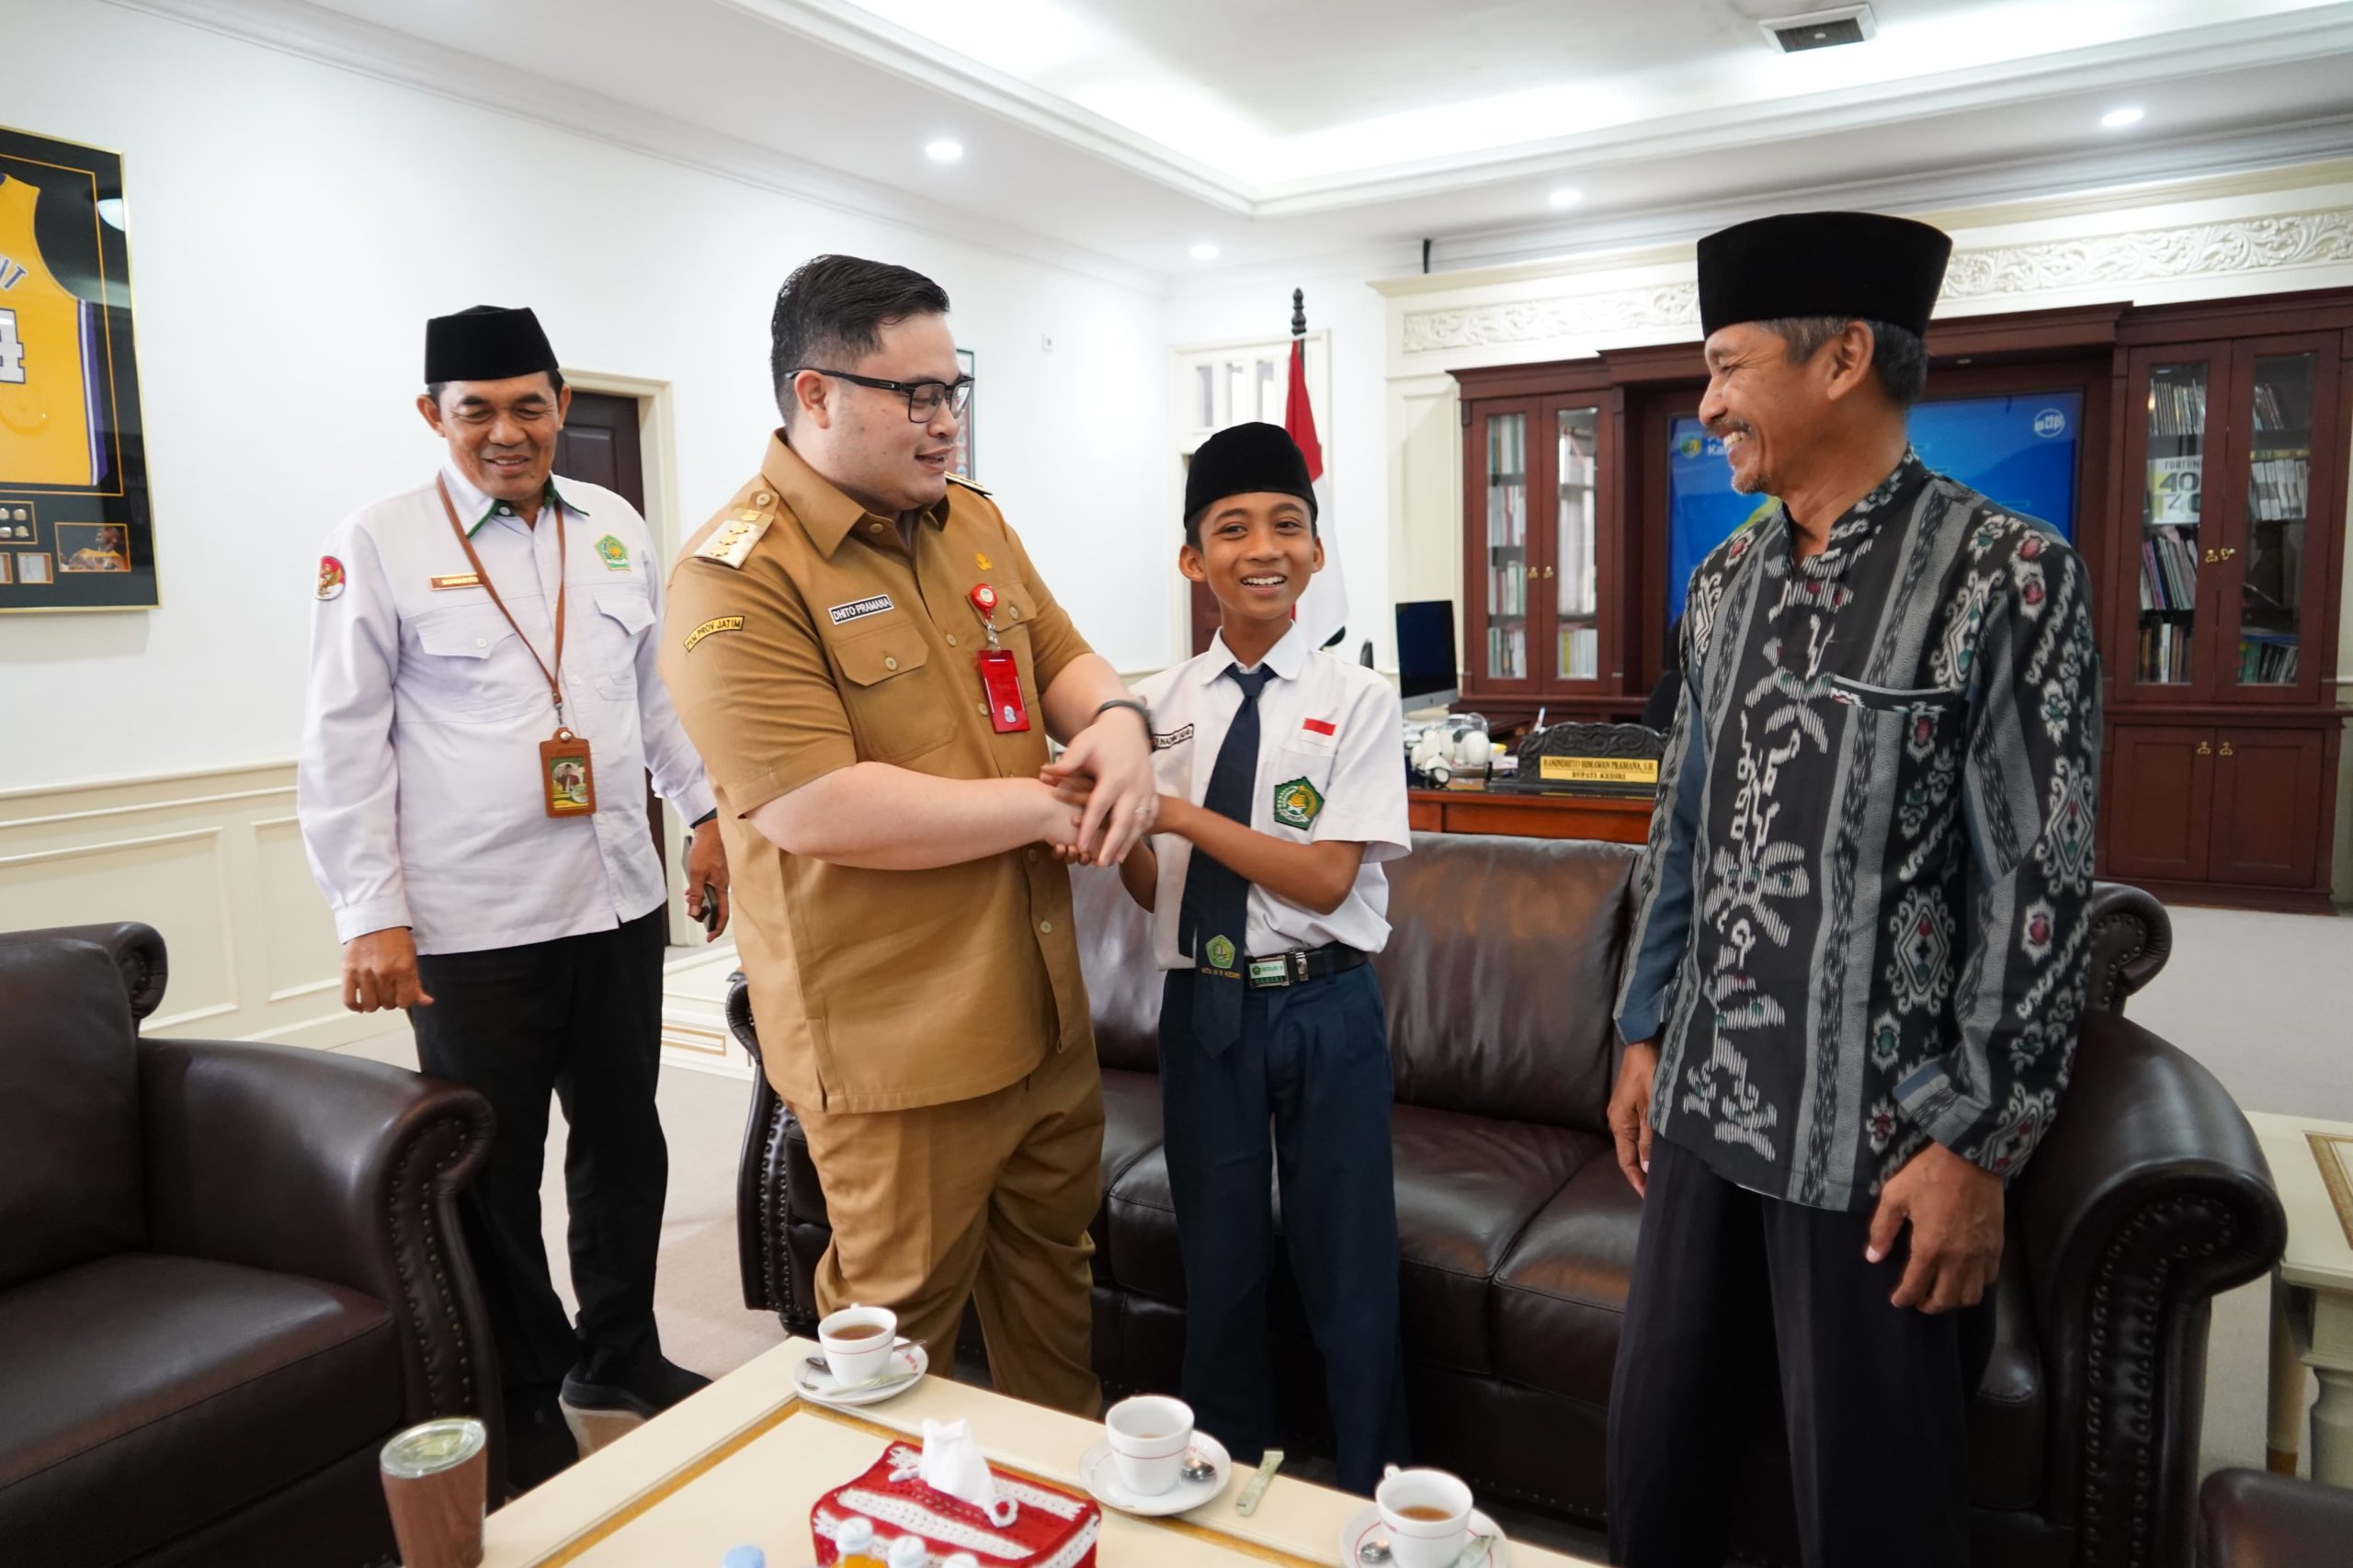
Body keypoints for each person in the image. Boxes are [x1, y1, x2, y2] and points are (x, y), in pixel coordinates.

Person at [1604, 212, 2101, 1568]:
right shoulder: (1722, 582)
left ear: (1842, 361)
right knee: (1658, 1481)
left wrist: (1977, 1144)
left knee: (1871, 1518)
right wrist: (1645, 1030)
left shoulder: (2012, 574)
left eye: (1724, 365)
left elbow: (2041, 885)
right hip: (1706, 1113)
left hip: (1879, 1150)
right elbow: (1683, 828)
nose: (1704, 404)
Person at [658, 256, 1159, 1415]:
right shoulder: (734, 577)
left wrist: (1124, 725)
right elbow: (813, 806)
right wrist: (1052, 805)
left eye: (953, 392)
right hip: (899, 1048)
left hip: (1038, 1008)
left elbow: (1063, 660)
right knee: (893, 1347)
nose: (945, 425)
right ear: (815, 394)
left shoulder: (970, 522)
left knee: (1053, 1300)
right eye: (916, 396)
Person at [299, 304, 732, 1494]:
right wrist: (368, 908)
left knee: (624, 1139)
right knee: (492, 1171)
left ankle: (620, 1350)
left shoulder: (614, 528)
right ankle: (525, 1392)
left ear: (563, 406)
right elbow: (344, 739)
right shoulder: (379, 539)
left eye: (529, 405)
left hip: (617, 903)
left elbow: (656, 697)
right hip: (471, 923)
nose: (506, 431)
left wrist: (703, 813)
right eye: (476, 409)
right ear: (433, 414)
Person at [1084, 422, 1411, 1494]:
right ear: (1194, 560)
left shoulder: (1359, 698)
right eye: (1231, 528)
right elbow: (1155, 888)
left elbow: (1322, 879)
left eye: (1286, 524)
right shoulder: (1153, 706)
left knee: (1347, 1261)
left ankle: (1372, 1482)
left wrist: (1168, 807)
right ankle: (1221, 1473)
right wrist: (1117, 825)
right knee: (1217, 1262)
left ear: (1315, 551)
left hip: (1325, 1010)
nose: (1261, 546)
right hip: (1203, 1008)